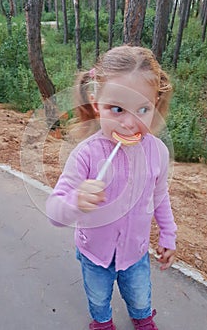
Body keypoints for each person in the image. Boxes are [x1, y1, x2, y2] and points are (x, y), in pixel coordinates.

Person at [46, 46, 177, 330]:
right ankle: (103, 323)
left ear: (156, 103)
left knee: (140, 296)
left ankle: (142, 319)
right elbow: (54, 212)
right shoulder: (85, 154)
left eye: (143, 109)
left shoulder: (158, 153)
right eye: (116, 109)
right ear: (96, 105)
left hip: (136, 252)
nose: (129, 123)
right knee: (98, 298)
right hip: (95, 254)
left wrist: (168, 234)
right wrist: (76, 200)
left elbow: (160, 196)